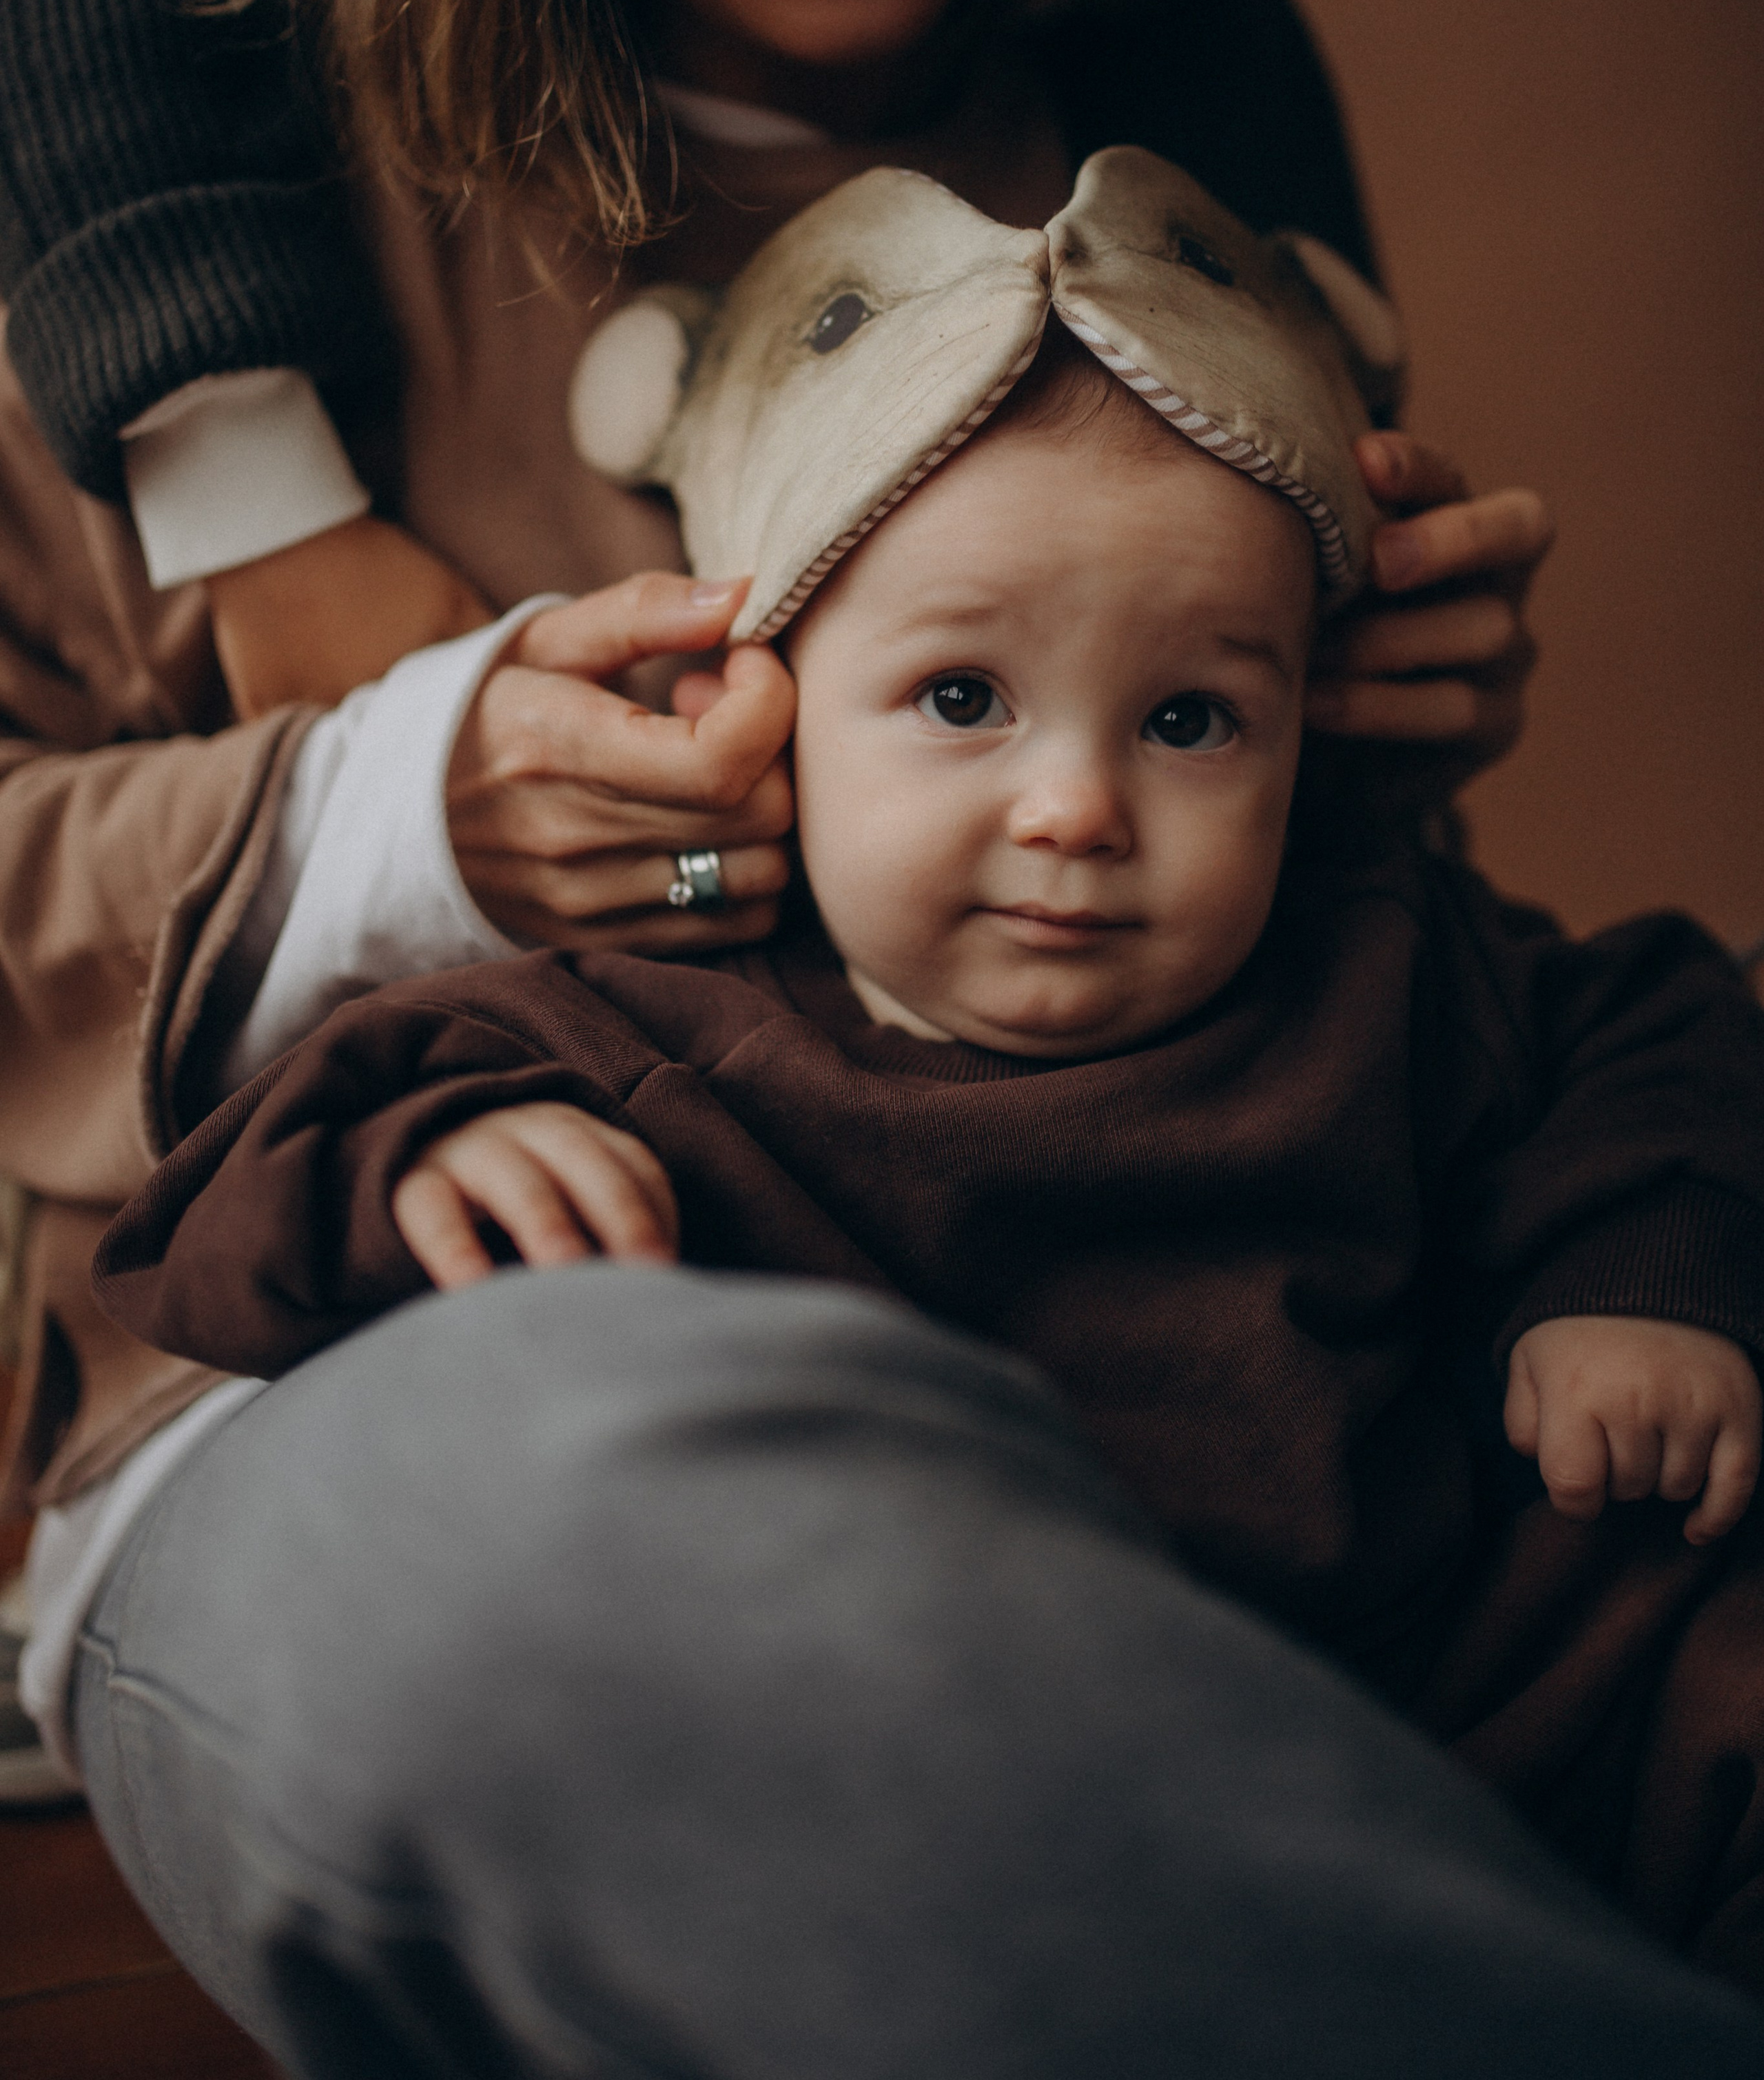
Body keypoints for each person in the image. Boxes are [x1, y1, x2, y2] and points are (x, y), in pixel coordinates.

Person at [9, 0, 1722, 2068]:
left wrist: (1365, 740)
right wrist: (393, 799)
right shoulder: (167, 229)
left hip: (1243, 1427)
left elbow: (1364, 1028)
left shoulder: (1187, 167)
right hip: (383, 1386)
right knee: (635, 1548)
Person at [96, 150, 1764, 2001]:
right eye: (963, 698)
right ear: (763, 701)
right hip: (973, 1723)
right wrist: (434, 1156)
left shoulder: (1375, 958)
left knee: (1709, 1627)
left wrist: (1636, 1283)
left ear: (1312, 717)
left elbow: (1661, 1031)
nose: (1076, 808)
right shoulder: (661, 1021)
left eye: (1192, 717)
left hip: (1456, 1670)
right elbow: (223, 1199)